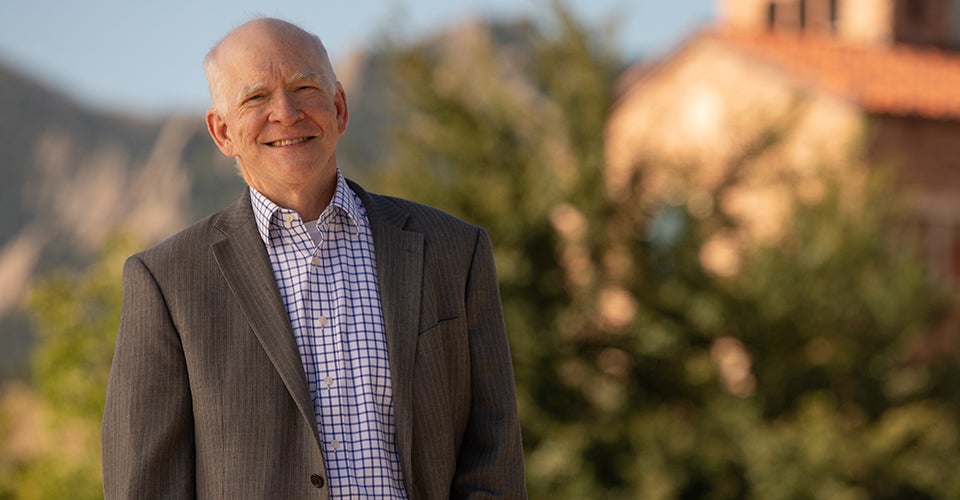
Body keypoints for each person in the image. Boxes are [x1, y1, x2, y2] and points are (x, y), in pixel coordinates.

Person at [101, 17, 526, 499]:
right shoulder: (165, 282)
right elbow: (145, 487)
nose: (286, 111)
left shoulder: (454, 250)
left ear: (339, 108)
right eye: (256, 97)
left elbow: (494, 458)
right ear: (222, 133)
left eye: (304, 87)